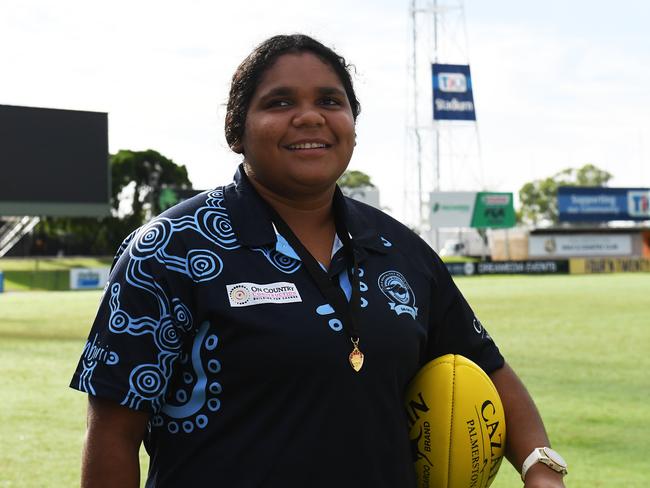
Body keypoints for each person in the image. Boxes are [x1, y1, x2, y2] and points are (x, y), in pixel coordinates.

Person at [71, 34, 567, 488]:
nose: (310, 117)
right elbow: (112, 433)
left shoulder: (400, 248)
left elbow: (488, 366)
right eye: (279, 102)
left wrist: (540, 468)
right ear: (237, 131)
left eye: (331, 101)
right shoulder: (171, 248)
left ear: (352, 123)